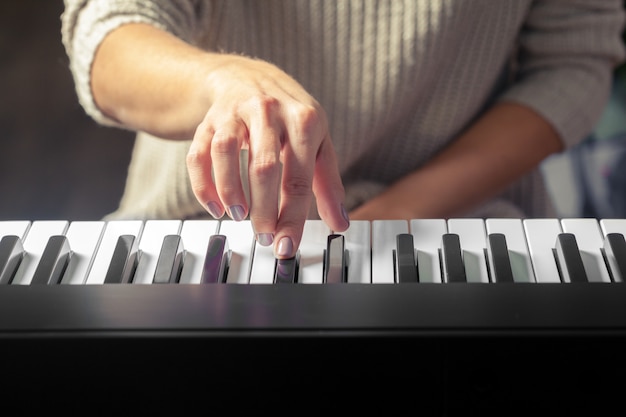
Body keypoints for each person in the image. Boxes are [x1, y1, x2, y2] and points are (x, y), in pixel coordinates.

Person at [61, 1, 626, 260]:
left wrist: (389, 218)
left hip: (468, 228)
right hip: (199, 232)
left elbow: (571, 66)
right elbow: (108, 32)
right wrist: (220, 77)